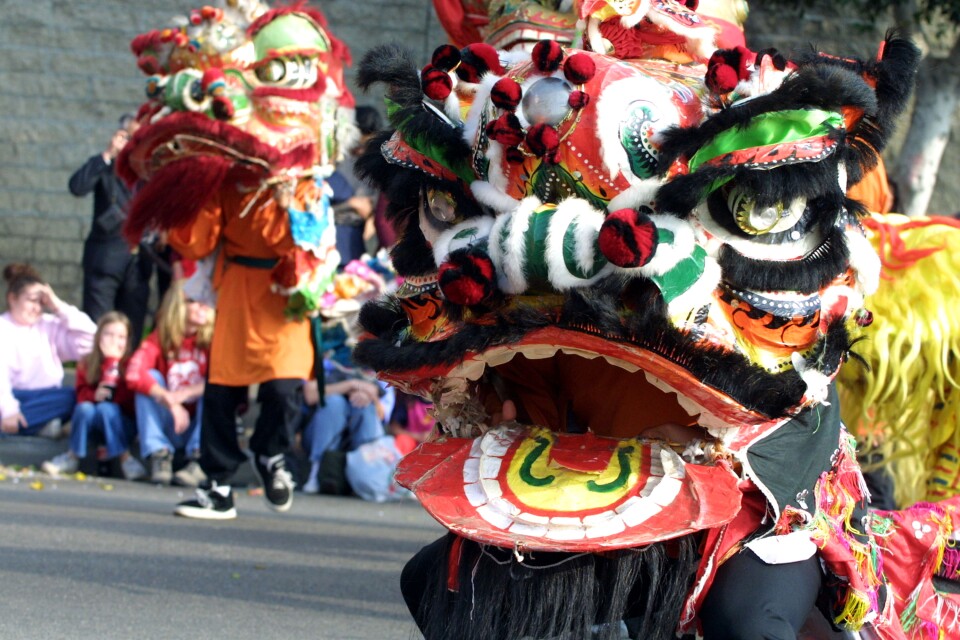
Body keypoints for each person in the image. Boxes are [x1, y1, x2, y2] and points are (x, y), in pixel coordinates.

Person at [69, 113, 152, 347]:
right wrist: (108, 155)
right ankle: (95, 377)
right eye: (131, 137)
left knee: (131, 329)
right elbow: (77, 187)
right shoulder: (106, 166)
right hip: (104, 260)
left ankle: (127, 379)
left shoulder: (151, 171)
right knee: (97, 327)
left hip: (138, 264)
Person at [126, 281, 212, 486]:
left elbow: (227, 380)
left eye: (206, 301)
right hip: (171, 422)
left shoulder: (214, 339)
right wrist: (169, 400)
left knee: (216, 389)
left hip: (199, 427)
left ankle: (199, 459)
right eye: (194, 301)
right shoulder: (161, 337)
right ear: (178, 305)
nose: (203, 306)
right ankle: (159, 454)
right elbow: (133, 372)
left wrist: (184, 394)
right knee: (151, 379)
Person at [41, 311, 145, 480]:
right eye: (109, 334)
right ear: (98, 337)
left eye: (121, 337)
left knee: (106, 409)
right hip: (92, 422)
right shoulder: (87, 362)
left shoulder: (131, 363)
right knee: (85, 408)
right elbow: (81, 394)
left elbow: (127, 402)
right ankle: (72, 456)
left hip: (121, 424)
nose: (114, 341)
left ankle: (125, 458)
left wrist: (112, 363)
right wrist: (93, 395)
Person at [0, 263, 96, 437]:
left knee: (75, 396)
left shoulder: (49, 324)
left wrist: (58, 306)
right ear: (12, 298)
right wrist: (8, 410)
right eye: (31, 300)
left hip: (48, 398)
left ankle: (24, 425)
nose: (36, 307)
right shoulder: (3, 327)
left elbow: (92, 341)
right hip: (12, 396)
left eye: (41, 302)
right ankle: (36, 425)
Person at [299, 362, 387, 494]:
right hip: (320, 433)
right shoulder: (327, 362)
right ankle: (317, 471)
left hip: (356, 437)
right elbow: (310, 395)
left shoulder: (382, 370)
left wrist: (370, 397)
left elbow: (382, 416)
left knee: (365, 406)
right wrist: (349, 385)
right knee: (334, 402)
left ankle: (368, 473)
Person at [332, 106, 385, 264]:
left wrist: (371, 221)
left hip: (354, 241)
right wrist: (351, 204)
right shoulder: (335, 162)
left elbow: (379, 208)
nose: (362, 150)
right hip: (330, 233)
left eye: (369, 145)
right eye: (358, 143)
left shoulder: (374, 166)